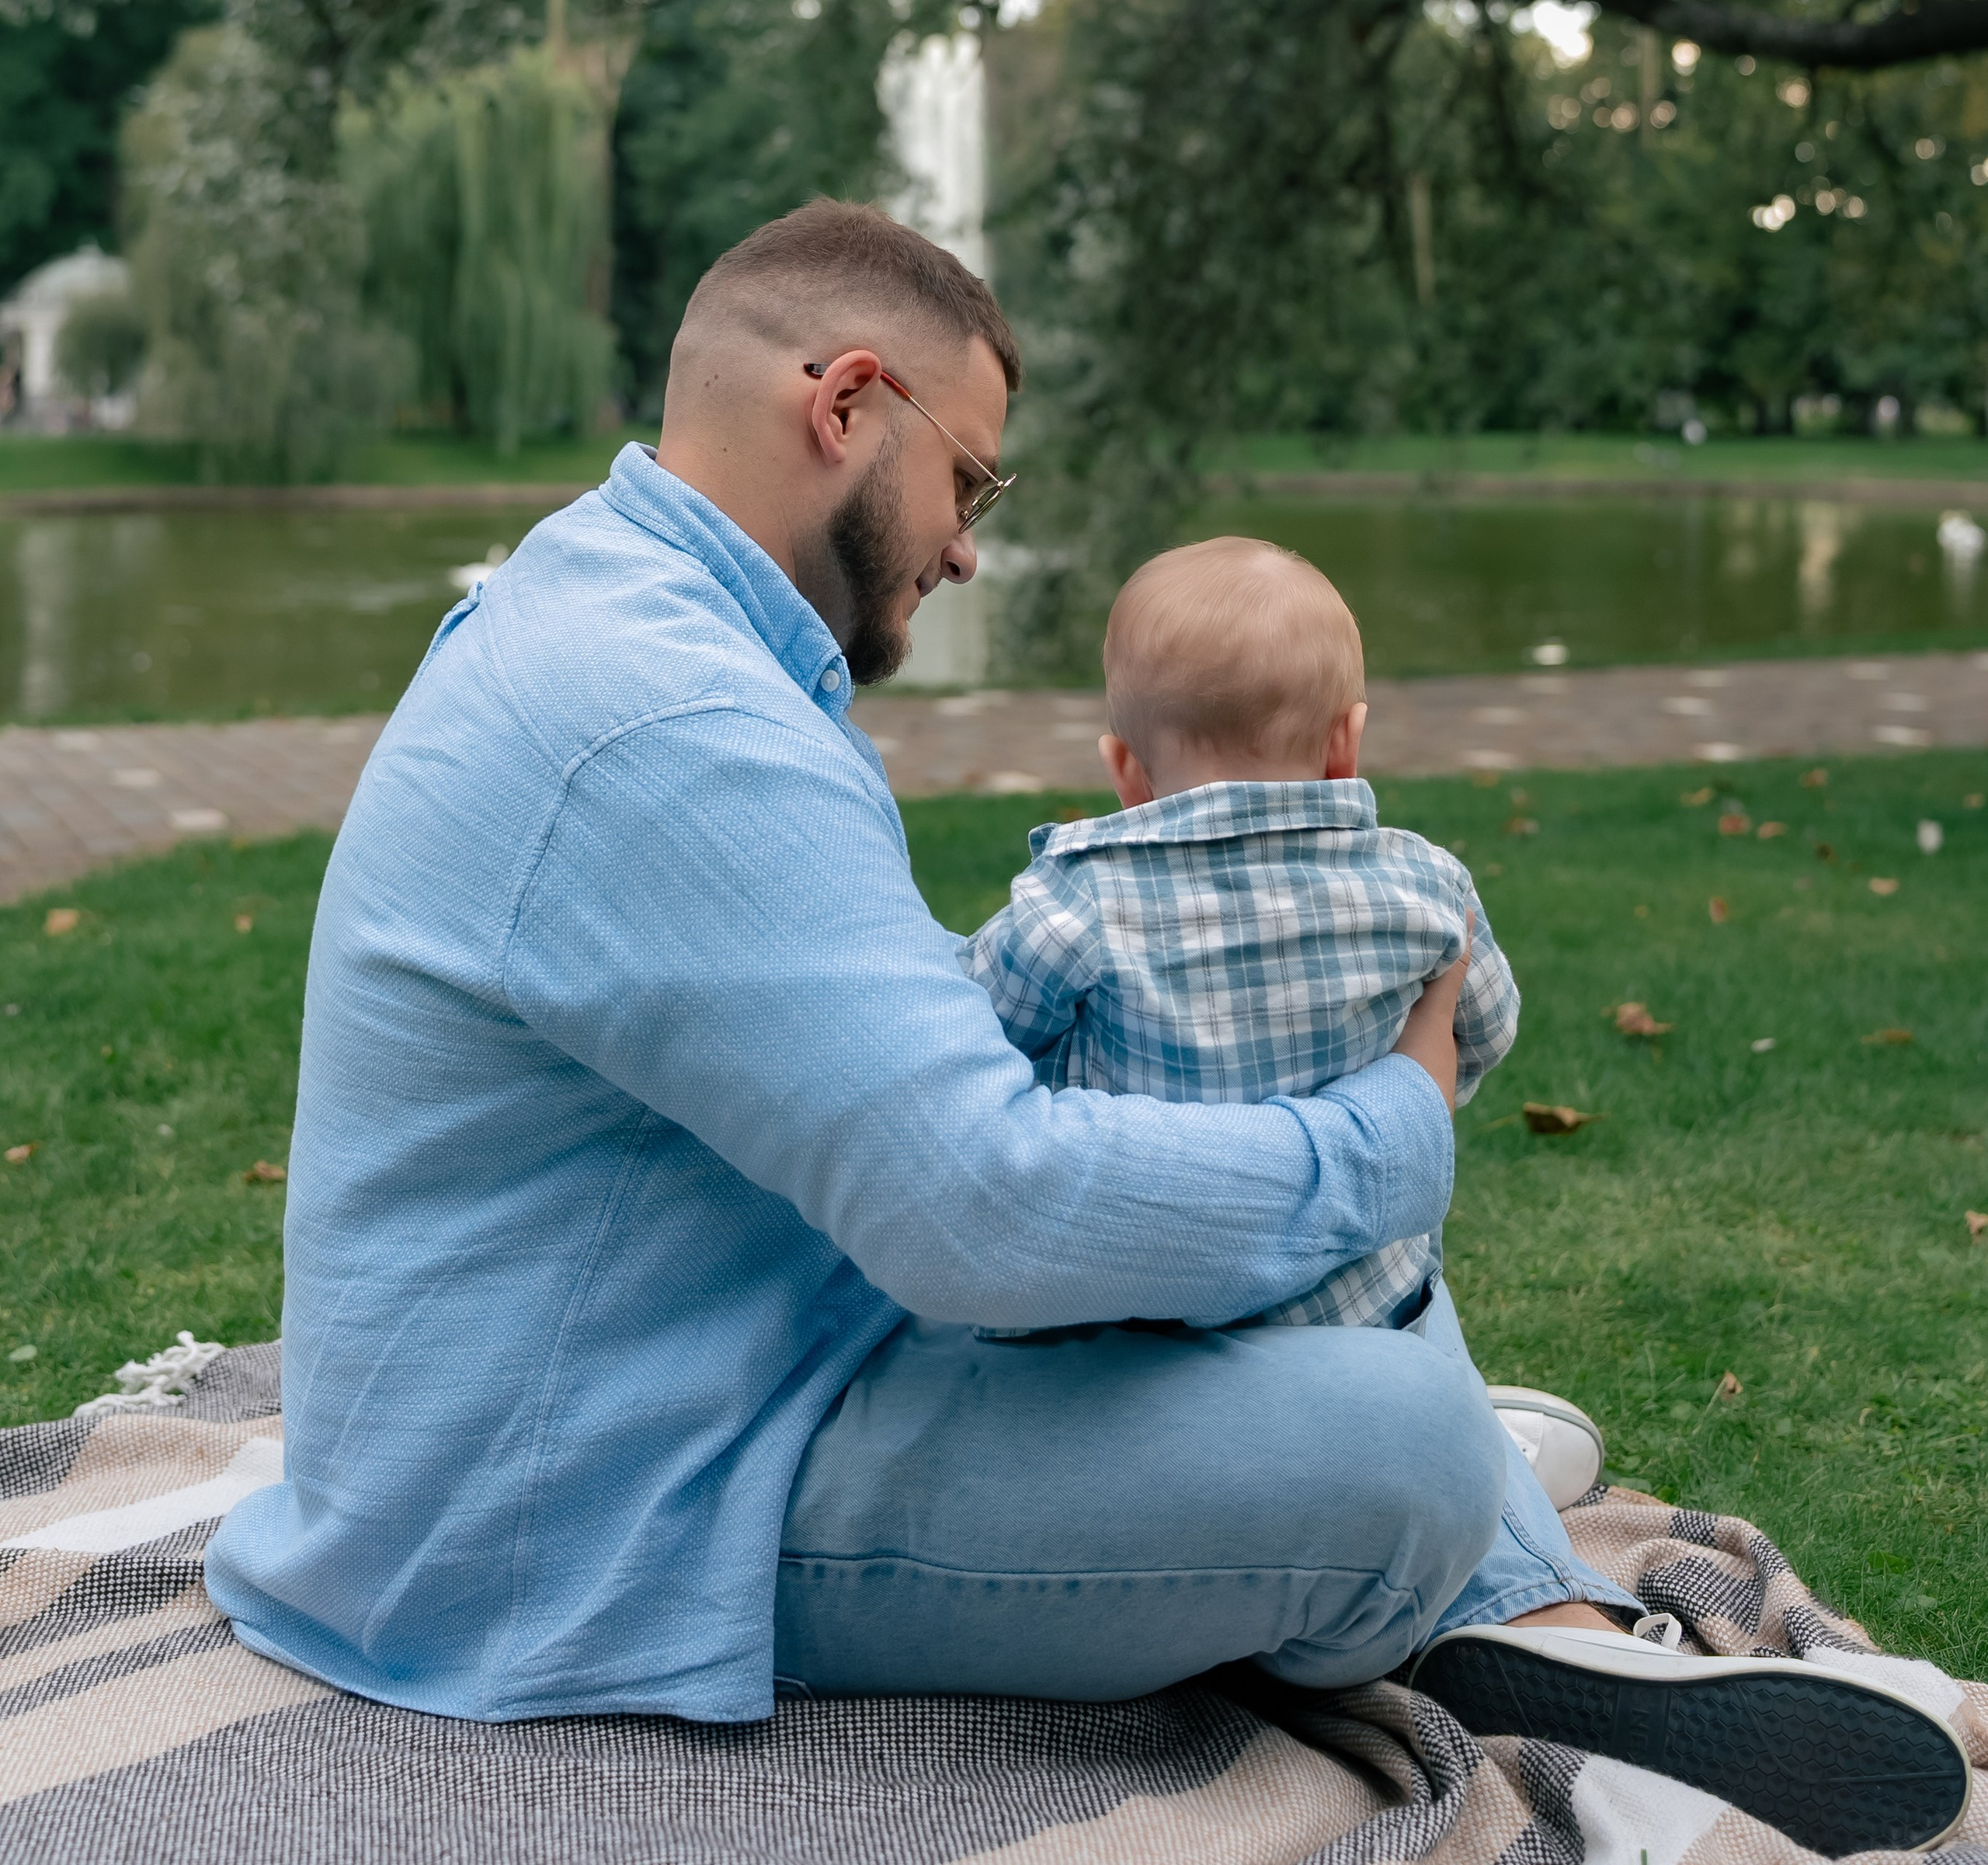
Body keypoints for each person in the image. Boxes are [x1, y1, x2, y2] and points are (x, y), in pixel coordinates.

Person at [203, 202, 1968, 1853]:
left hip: (687, 1368)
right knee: (1387, 1428)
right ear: (844, 403)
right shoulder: (661, 714)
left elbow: (885, 1083)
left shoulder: (615, 610)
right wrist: (1392, 1122)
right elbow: (995, 1214)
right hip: (588, 1509)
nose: (971, 539)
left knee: (1295, 1271)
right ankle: (1496, 1583)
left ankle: (1492, 1579)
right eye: (965, 475)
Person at [962, 533, 1519, 1338]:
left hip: (1142, 1320)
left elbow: (972, 1037)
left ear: (1123, 769)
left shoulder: (1078, 903)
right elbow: (1488, 1031)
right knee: (1423, 1322)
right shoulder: (1425, 886)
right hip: (1367, 1317)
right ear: (1345, 743)